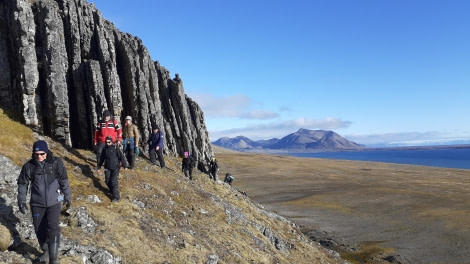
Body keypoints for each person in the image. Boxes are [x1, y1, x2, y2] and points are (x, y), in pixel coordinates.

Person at [17, 140, 71, 264]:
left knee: (53, 227)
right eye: (37, 154)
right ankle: (46, 251)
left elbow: (64, 180)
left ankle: (53, 259)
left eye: (42, 154)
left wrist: (67, 196)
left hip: (54, 201)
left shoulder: (56, 163)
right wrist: (21, 200)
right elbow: (22, 184)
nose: (39, 156)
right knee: (39, 229)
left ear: (47, 152)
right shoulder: (29, 166)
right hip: (37, 203)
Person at [97, 136, 128, 202]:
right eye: (106, 142)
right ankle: (112, 192)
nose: (107, 143)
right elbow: (102, 158)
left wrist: (125, 165)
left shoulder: (115, 147)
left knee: (113, 181)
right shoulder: (104, 148)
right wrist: (99, 166)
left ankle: (116, 197)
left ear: (111, 142)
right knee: (107, 181)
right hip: (107, 167)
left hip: (115, 167)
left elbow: (121, 156)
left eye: (109, 142)